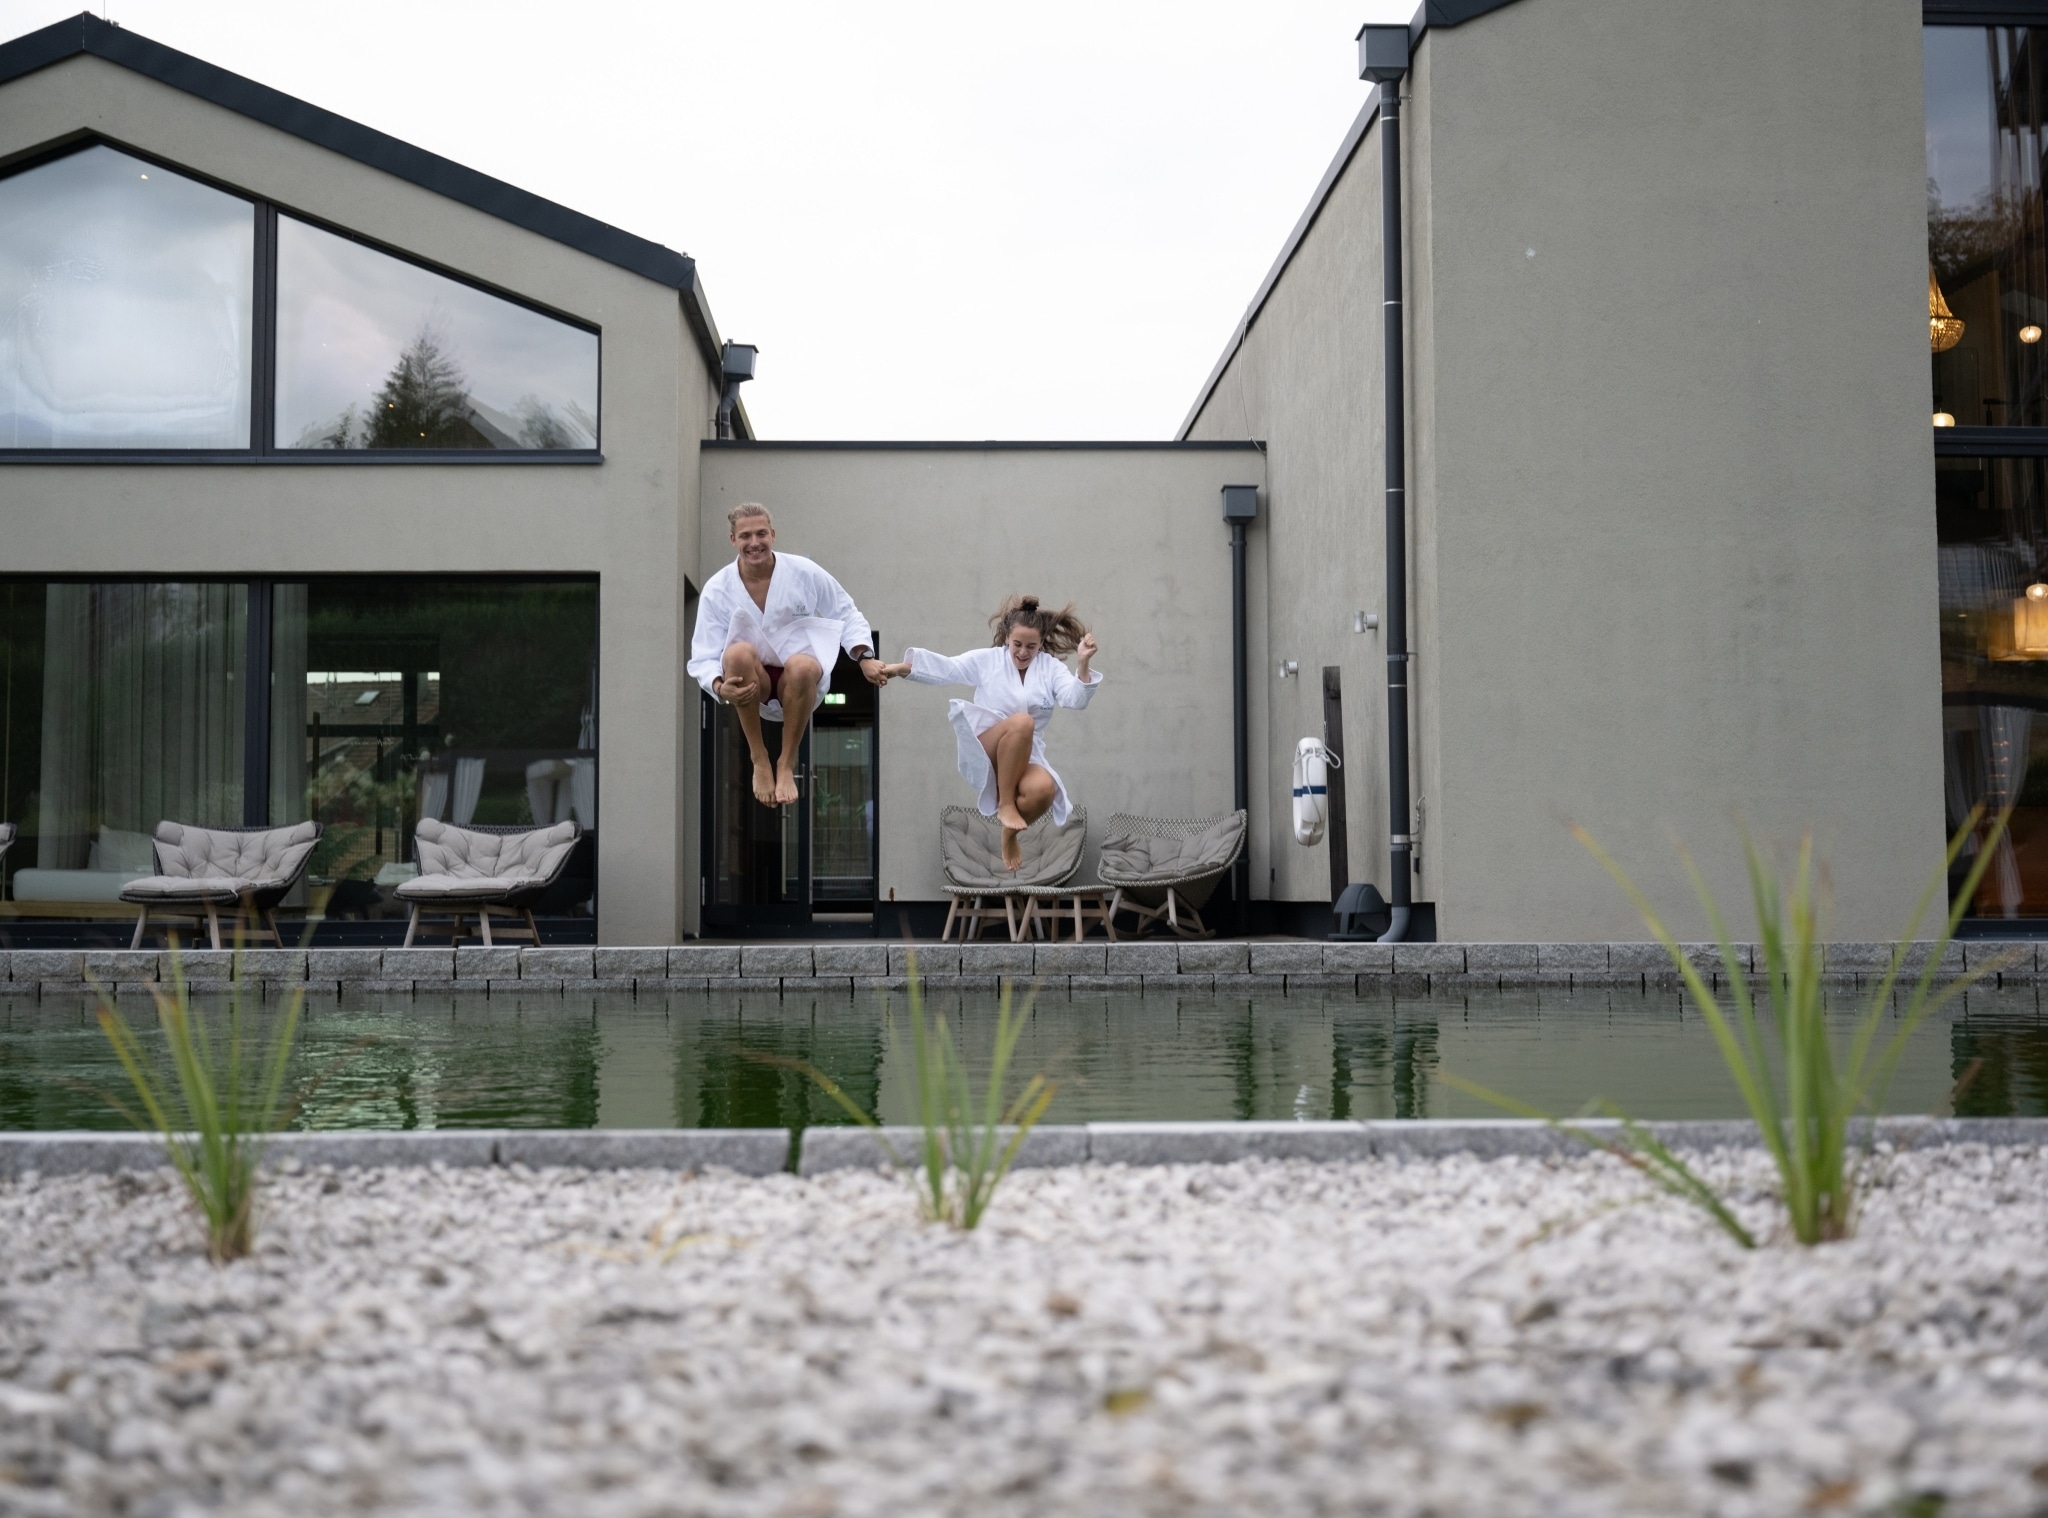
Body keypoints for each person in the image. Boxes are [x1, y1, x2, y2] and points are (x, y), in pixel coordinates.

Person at [879, 596, 1100, 872]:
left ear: (1041, 643)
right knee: (1022, 723)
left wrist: (1082, 665)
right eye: (1017, 644)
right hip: (987, 747)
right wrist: (900, 669)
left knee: (1044, 790)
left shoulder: (1050, 668)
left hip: (1023, 754)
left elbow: (1074, 699)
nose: (1022, 652)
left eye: (1031, 646)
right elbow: (948, 669)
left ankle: (1009, 832)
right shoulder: (988, 660)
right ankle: (1005, 804)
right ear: (1007, 637)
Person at [689, 502, 887, 806]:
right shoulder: (717, 588)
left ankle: (786, 763)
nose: (754, 543)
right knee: (737, 654)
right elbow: (703, 654)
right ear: (733, 540)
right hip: (754, 687)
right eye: (745, 536)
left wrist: (864, 657)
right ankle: (760, 758)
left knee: (804, 665)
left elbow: (845, 611)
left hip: (800, 683)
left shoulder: (804, 572)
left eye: (761, 534)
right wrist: (719, 686)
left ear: (773, 534)